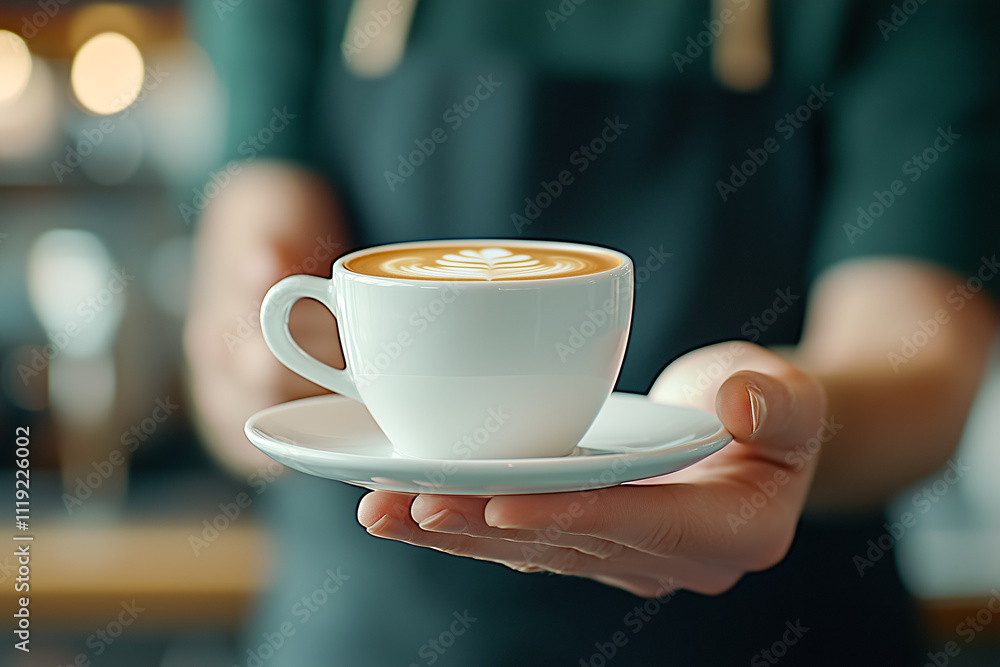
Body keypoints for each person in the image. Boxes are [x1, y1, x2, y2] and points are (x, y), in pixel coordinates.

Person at [183, 1, 1000, 664]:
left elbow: (918, 360)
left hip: (768, 624)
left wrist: (768, 419)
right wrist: (262, 367)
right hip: (374, 624)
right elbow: (248, 292)